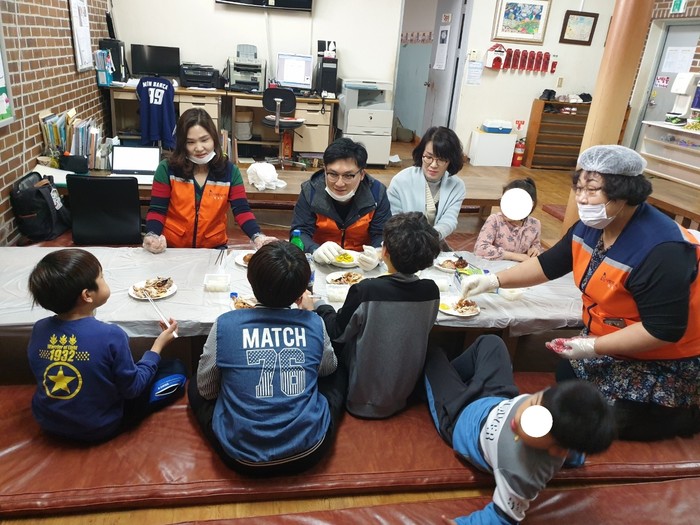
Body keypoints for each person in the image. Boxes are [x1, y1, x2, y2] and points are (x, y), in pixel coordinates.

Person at [460, 145, 700, 441]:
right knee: (567, 376)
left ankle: (686, 411)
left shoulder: (663, 249)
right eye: (579, 188)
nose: (582, 199)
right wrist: (494, 281)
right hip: (616, 340)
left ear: (624, 192)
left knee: (601, 421)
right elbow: (548, 264)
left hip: (666, 356)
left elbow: (663, 330)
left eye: (593, 190)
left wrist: (593, 347)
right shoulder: (591, 226)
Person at [188, 241, 346, 476]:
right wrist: (310, 314)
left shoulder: (226, 323)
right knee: (337, 371)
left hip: (241, 458)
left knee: (194, 384)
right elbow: (327, 369)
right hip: (308, 452)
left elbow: (207, 391)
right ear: (302, 291)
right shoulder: (314, 322)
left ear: (251, 281)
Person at [424, 334, 615, 524]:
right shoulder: (559, 418)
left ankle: (440, 384)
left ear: (557, 450)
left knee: (432, 355)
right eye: (533, 403)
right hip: (498, 398)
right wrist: (577, 456)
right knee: (492, 342)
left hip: (460, 419)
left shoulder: (524, 472)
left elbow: (502, 518)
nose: (520, 418)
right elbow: (573, 452)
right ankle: (454, 380)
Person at [27, 248, 184, 443]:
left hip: (48, 421)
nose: (104, 279)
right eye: (101, 276)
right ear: (87, 295)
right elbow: (133, 389)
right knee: (176, 368)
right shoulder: (111, 334)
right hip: (99, 427)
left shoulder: (39, 328)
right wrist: (157, 346)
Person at [300, 212, 441, 419]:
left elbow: (337, 332)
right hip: (403, 395)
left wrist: (319, 305)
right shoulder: (431, 290)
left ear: (385, 251)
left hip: (359, 399)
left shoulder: (367, 289)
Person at [143, 108, 275, 252]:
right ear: (182, 144)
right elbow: (157, 210)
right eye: (190, 142)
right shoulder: (167, 169)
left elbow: (242, 210)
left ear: (214, 138)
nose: (199, 148)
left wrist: (258, 236)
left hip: (214, 248)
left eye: (204, 140)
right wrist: (152, 235)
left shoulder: (230, 172)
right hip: (173, 248)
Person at [290, 137, 392, 271]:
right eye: (332, 174)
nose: (339, 183)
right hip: (321, 262)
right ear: (324, 170)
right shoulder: (310, 192)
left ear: (362, 174)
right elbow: (299, 232)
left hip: (362, 264)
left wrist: (377, 254)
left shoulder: (377, 193)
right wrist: (314, 250)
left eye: (348, 176)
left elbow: (382, 234)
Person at [387, 126, 466, 243]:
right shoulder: (401, 181)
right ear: (421, 154)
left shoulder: (457, 186)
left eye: (441, 159)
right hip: (402, 242)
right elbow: (394, 220)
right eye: (428, 157)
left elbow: (449, 220)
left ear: (450, 161)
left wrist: (429, 238)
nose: (433, 165)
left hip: (435, 242)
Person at [474, 178, 543, 261]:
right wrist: (515, 256)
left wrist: (535, 250)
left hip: (521, 267)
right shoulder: (495, 220)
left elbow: (536, 246)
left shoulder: (535, 224)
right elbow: (480, 248)